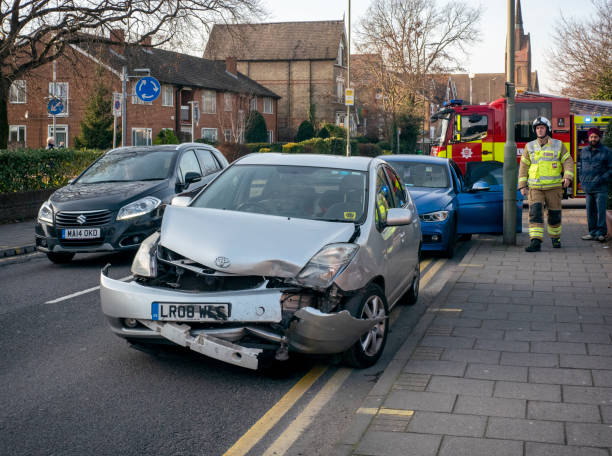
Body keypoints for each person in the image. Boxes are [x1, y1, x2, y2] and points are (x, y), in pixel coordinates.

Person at [518, 116, 574, 252]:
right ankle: (535, 242)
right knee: (535, 214)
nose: (539, 130)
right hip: (535, 188)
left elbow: (568, 161)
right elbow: (523, 167)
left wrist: (567, 177)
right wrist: (522, 185)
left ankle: (556, 238)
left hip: (554, 188)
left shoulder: (558, 144)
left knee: (554, 215)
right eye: (537, 128)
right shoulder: (529, 146)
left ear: (547, 129)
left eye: (542, 128)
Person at [579, 127, 612, 242]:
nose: (593, 139)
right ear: (588, 138)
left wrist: (602, 179)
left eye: (595, 137)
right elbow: (581, 167)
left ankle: (601, 233)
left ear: (599, 137)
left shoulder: (607, 151)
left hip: (601, 188)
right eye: (591, 137)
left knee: (601, 211)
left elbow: (611, 169)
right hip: (588, 187)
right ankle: (592, 233)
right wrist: (581, 179)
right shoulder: (584, 151)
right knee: (590, 212)